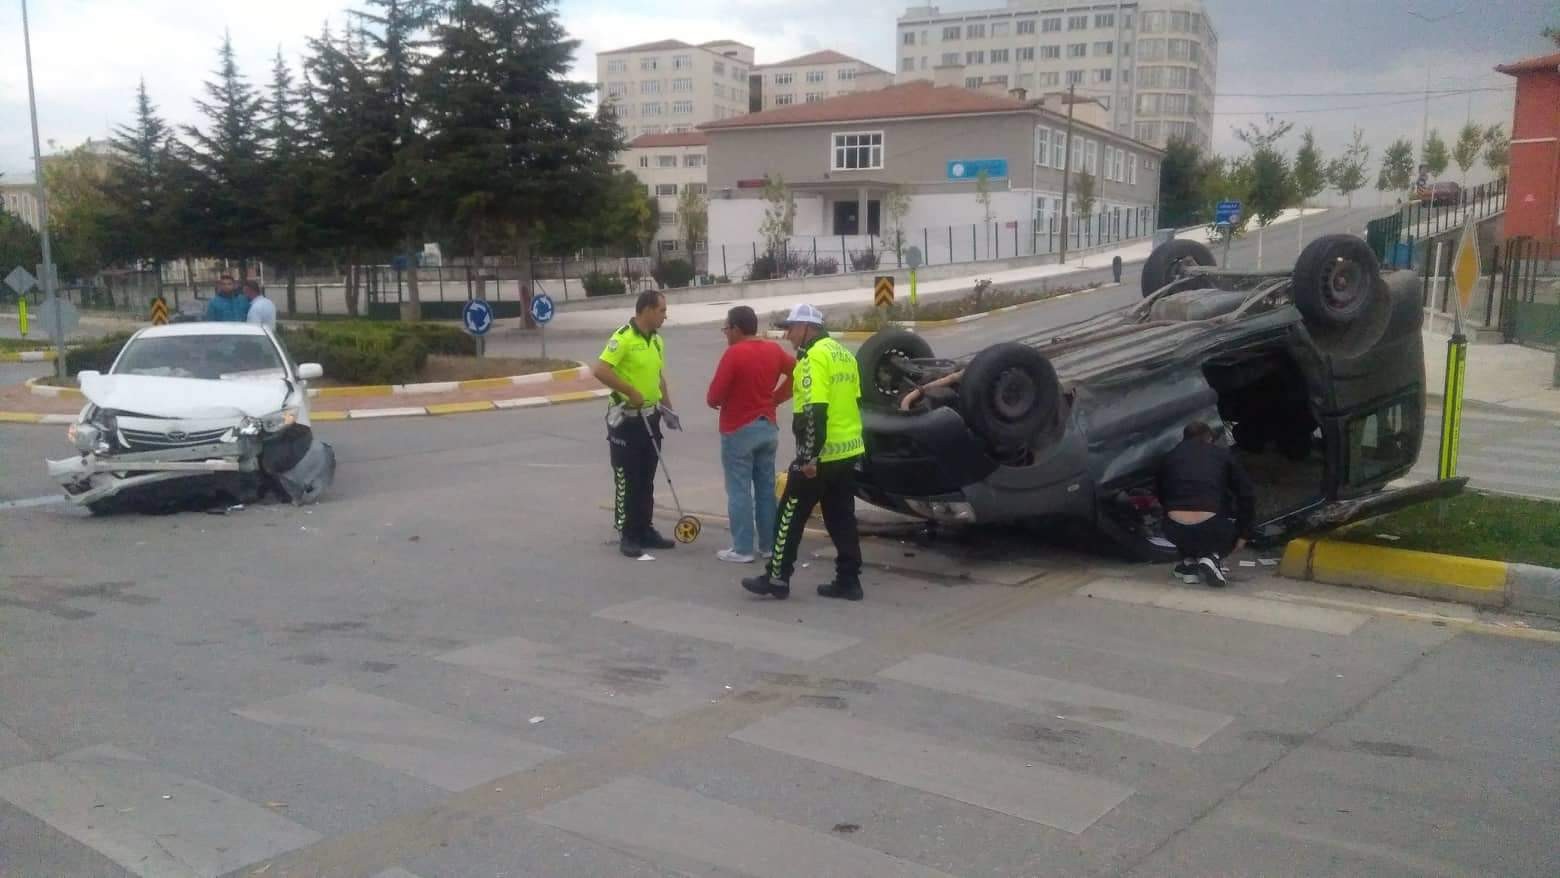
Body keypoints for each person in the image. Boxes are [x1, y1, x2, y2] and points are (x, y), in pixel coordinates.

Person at [742, 303, 865, 601]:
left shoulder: (812, 359)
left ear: (808, 328)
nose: (788, 335)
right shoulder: (844, 355)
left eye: (792, 328)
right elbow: (856, 401)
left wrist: (808, 458)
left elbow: (813, 413)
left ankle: (777, 578)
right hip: (847, 451)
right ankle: (849, 580)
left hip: (820, 456)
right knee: (841, 517)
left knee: (789, 514)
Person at [592, 290, 678, 558]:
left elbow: (659, 376)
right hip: (627, 419)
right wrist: (630, 391)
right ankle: (627, 532)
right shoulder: (623, 338)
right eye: (662, 310)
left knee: (647, 476)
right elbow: (601, 370)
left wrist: (667, 407)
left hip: (651, 418)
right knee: (627, 477)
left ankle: (644, 528)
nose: (666, 315)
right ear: (648, 310)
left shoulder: (657, 341)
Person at [706, 305, 794, 564]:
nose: (725, 334)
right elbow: (799, 372)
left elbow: (714, 395)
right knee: (766, 489)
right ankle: (768, 546)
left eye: (726, 328)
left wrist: (717, 402)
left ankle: (742, 548)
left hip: (738, 429)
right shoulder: (773, 349)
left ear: (736, 328)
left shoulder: (734, 354)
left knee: (739, 490)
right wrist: (776, 398)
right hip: (767, 427)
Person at [1155, 421, 1257, 588]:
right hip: (1212, 526)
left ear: (1184, 438)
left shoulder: (1169, 457)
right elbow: (1246, 494)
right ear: (1209, 438)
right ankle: (1212, 558)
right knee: (1222, 522)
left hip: (1174, 529)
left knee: (1187, 522)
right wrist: (1245, 532)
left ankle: (1189, 564)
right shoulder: (1222, 455)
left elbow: (1160, 495)